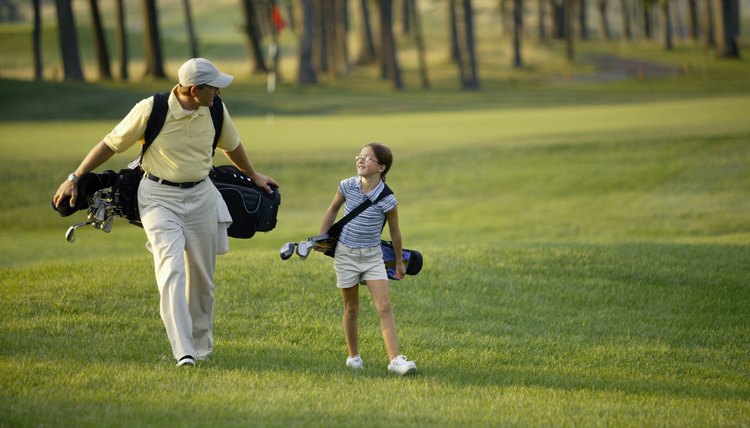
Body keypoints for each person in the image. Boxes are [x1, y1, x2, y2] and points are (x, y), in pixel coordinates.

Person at [53, 58, 278, 368]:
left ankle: (200, 349)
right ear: (194, 89)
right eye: (213, 88)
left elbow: (232, 145)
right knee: (171, 269)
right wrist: (75, 177)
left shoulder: (214, 108)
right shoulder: (151, 109)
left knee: (203, 281)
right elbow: (110, 144)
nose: (218, 93)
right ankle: (183, 351)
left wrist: (254, 175)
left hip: (201, 196)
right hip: (158, 198)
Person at [318, 142, 417, 375]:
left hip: (373, 256)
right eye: (359, 156)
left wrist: (400, 262)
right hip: (346, 255)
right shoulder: (347, 186)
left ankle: (395, 361)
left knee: (384, 306)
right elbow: (332, 210)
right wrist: (321, 238)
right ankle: (353, 357)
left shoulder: (387, 198)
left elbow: (395, 232)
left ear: (381, 167)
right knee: (351, 308)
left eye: (367, 158)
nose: (360, 161)